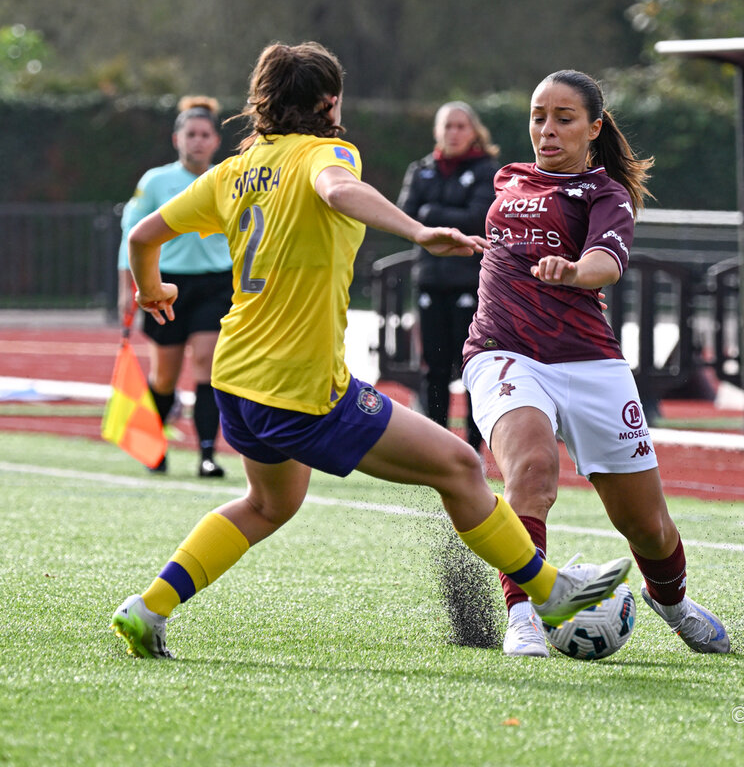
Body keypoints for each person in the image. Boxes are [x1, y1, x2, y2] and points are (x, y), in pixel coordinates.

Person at [110, 42, 629, 659]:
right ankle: (550, 594)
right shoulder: (327, 153)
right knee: (460, 467)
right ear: (330, 102)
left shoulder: (234, 170)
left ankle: (149, 607)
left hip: (236, 378)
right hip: (299, 385)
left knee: (269, 504)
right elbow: (335, 190)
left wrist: (151, 289)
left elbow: (143, 235)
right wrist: (417, 231)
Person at [460, 69, 729, 657]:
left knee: (648, 527)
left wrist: (575, 271)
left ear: (594, 128)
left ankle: (673, 604)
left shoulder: (606, 195)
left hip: (589, 362)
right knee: (532, 470)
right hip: (503, 351)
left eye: (564, 119)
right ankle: (524, 614)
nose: (547, 130)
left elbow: (606, 263)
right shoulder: (507, 179)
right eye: (538, 117)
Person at [117, 96, 233, 477]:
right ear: (176, 139)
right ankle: (154, 446)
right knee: (165, 376)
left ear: (216, 141)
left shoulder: (227, 178)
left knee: (206, 365)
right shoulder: (155, 181)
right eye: (191, 134)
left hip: (216, 285)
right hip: (165, 284)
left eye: (205, 135)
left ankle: (207, 454)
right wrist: (127, 288)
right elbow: (131, 237)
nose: (197, 141)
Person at [397, 101, 501, 452]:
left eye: (460, 126)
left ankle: (473, 449)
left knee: (472, 367)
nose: (453, 133)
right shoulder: (421, 169)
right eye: (447, 126)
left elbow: (479, 217)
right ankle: (437, 448)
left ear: (474, 131)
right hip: (430, 281)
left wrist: (431, 213)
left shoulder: (486, 171)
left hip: (471, 284)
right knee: (434, 369)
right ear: (437, 131)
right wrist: (439, 216)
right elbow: (405, 217)